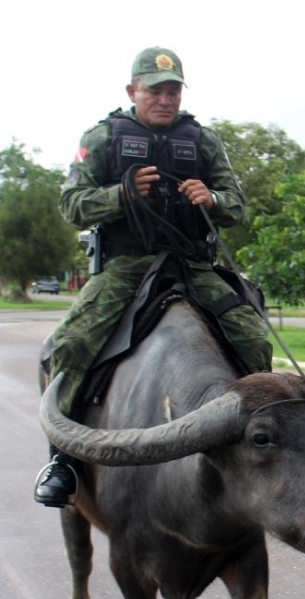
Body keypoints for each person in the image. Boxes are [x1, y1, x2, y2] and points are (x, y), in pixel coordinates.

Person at [33, 47, 272, 507]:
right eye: (155, 90)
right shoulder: (103, 137)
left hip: (190, 264)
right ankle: (62, 459)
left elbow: (236, 205)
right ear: (132, 91)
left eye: (173, 91)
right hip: (128, 266)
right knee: (69, 346)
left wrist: (213, 200)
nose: (165, 99)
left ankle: (260, 439)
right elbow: (71, 204)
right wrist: (119, 195)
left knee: (253, 338)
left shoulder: (203, 140)